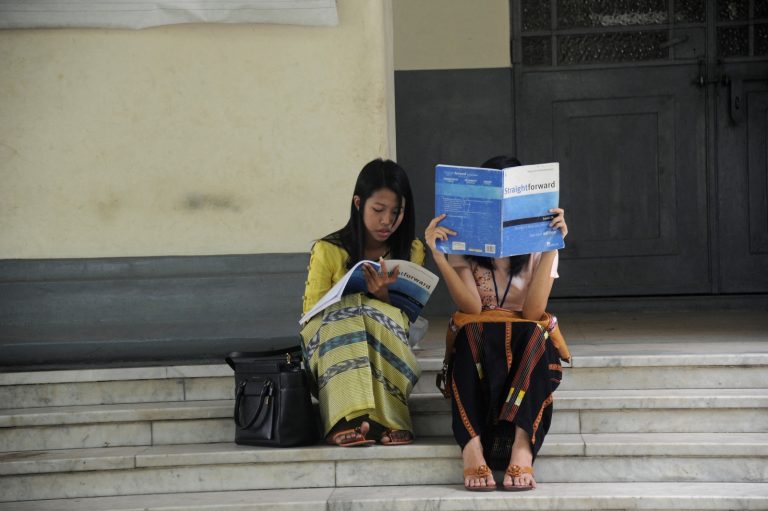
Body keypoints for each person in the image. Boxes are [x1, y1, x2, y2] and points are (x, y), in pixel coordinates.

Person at [424, 155, 571, 491]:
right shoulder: (468, 241)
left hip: (525, 341)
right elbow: (472, 307)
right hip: (482, 336)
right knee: (471, 331)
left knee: (535, 336)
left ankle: (522, 446)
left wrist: (551, 244)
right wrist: (440, 257)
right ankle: (472, 447)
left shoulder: (538, 245)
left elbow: (534, 312)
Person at [300, 158, 425, 447]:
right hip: (330, 340)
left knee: (374, 315)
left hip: (386, 335)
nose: (387, 221)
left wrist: (381, 297)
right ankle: (344, 421)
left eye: (397, 212)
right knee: (350, 315)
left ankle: (387, 421)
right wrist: (354, 306)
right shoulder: (327, 249)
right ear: (358, 203)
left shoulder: (412, 250)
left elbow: (406, 320)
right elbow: (310, 318)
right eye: (378, 210)